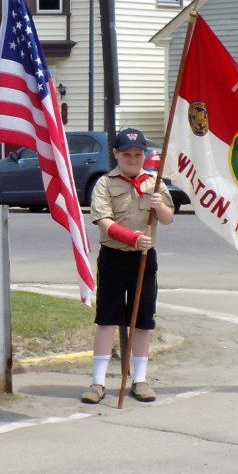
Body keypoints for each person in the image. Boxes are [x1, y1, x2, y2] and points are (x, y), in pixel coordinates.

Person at [81, 128, 174, 405]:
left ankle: (140, 379)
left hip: (144, 259)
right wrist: (131, 238)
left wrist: (160, 206)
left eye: (138, 154)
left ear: (144, 155)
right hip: (113, 257)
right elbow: (103, 221)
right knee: (107, 319)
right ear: (116, 154)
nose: (133, 159)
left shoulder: (155, 182)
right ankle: (98, 382)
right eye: (126, 154)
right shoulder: (105, 184)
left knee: (143, 320)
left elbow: (168, 219)